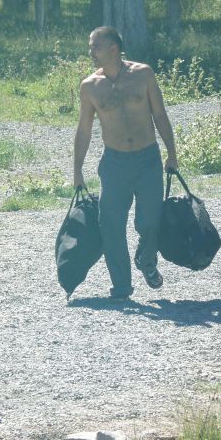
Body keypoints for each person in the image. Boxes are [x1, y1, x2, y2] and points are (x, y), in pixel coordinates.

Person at [73, 26, 178, 300]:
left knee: (150, 220)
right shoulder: (90, 86)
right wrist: (77, 170)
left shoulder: (143, 74)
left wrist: (172, 154)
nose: (91, 52)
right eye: (90, 46)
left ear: (113, 48)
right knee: (110, 224)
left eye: (95, 47)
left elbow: (160, 115)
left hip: (147, 159)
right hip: (114, 163)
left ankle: (146, 258)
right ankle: (121, 287)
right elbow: (83, 130)